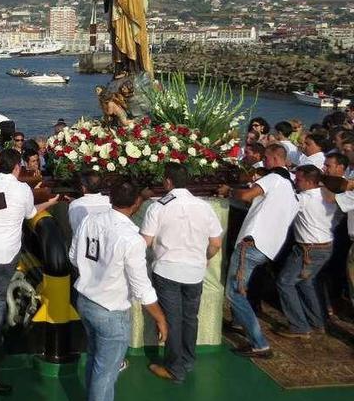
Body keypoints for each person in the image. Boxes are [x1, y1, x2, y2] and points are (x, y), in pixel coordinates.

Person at [70, 179, 168, 401]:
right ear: (136, 203)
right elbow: (141, 287)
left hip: (85, 301)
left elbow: (74, 256)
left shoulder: (89, 220)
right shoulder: (131, 238)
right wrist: (160, 318)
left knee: (94, 360)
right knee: (106, 372)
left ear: (110, 197)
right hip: (110, 311)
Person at [0, 149, 59, 395]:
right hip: (5, 256)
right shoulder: (22, 190)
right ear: (17, 168)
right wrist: (52, 203)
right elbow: (31, 214)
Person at [139, 164, 223, 382]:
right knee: (190, 318)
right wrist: (203, 258)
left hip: (167, 270)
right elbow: (216, 242)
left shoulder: (158, 207)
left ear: (168, 182)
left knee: (172, 319)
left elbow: (144, 242)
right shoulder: (204, 206)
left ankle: (175, 369)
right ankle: (187, 360)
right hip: (195, 271)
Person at [217, 144, 299, 359]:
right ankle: (237, 322)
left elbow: (246, 196)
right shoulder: (292, 189)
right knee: (239, 288)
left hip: (252, 243)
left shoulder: (273, 179)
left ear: (273, 158)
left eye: (266, 158)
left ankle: (259, 342)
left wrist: (229, 191)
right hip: (268, 247)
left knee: (234, 292)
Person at [276, 165, 337, 338]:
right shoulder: (326, 195)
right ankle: (317, 322)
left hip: (309, 249)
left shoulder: (304, 198)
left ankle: (299, 326)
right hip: (325, 246)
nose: (296, 182)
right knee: (305, 283)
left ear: (309, 182)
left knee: (285, 282)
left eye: (299, 179)